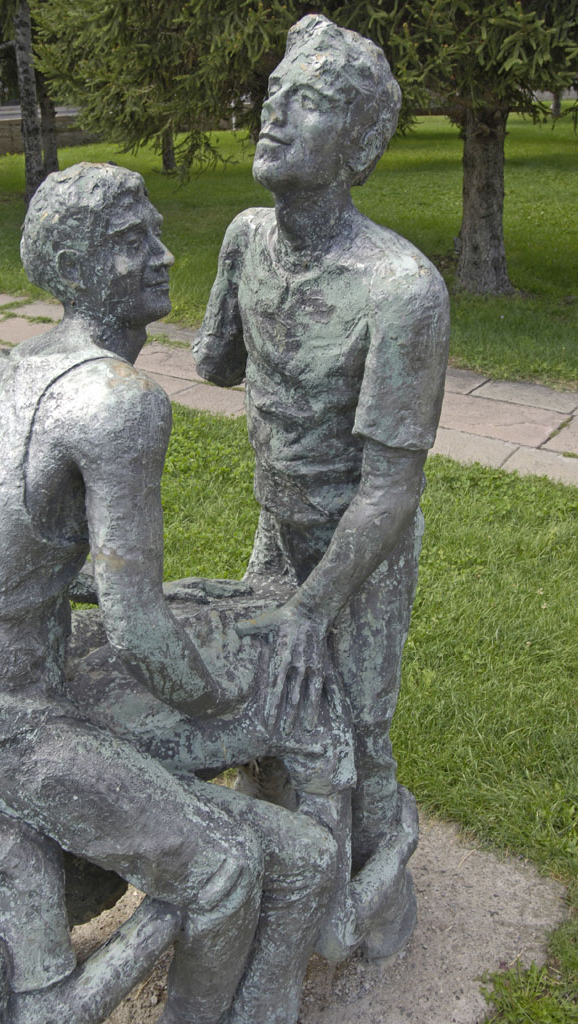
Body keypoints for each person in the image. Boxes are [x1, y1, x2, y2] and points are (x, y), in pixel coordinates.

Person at [0, 162, 336, 1024]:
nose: (164, 256)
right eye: (133, 243)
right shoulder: (117, 400)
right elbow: (140, 633)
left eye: (156, 232)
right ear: (79, 268)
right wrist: (231, 698)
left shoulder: (8, 367)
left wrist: (159, 597)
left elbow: (8, 558)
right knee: (222, 871)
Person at [193, 14, 450, 960]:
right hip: (278, 523)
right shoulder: (243, 238)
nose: (274, 115)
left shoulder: (401, 290)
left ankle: (376, 903)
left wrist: (313, 608)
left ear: (360, 144)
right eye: (273, 95)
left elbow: (390, 491)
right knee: (269, 697)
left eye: (308, 102)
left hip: (360, 549)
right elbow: (218, 362)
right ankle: (279, 865)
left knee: (363, 724)